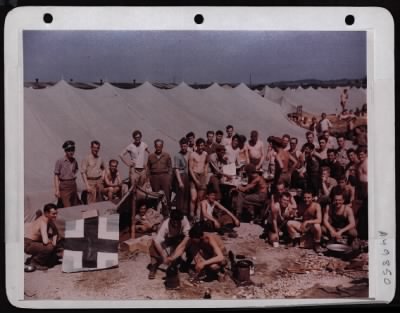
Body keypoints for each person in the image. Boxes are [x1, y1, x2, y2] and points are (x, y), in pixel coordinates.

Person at [148, 210, 191, 279]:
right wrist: (163, 255)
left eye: (178, 222)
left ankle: (186, 265)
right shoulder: (165, 224)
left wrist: (180, 248)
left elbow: (188, 236)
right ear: (171, 219)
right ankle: (153, 266)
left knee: (191, 242)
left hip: (180, 238)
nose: (176, 224)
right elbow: (157, 241)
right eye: (174, 222)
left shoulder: (184, 219)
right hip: (169, 238)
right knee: (153, 245)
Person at [24, 203, 60, 270]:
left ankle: (35, 258)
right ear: (46, 213)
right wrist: (52, 242)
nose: (55, 215)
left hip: (33, 242)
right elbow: (45, 241)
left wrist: (54, 242)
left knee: (54, 243)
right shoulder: (43, 222)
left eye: (56, 213)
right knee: (49, 247)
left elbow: (55, 232)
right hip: (28, 243)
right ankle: (35, 262)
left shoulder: (48, 219)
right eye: (53, 214)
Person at [147, 139, 173, 214]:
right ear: (155, 146)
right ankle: (156, 212)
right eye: (157, 146)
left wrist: (169, 177)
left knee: (167, 194)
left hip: (165, 176)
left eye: (160, 146)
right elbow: (148, 168)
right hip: (154, 177)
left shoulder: (167, 155)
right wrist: (148, 179)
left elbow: (170, 167)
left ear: (162, 146)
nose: (158, 148)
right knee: (155, 195)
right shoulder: (151, 156)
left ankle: (167, 212)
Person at [54, 140, 80, 207]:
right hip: (64, 185)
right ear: (65, 151)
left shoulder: (74, 161)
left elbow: (75, 170)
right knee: (67, 206)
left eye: (73, 150)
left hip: (73, 184)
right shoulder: (60, 161)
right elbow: (56, 176)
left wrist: (71, 176)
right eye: (69, 150)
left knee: (75, 205)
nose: (71, 152)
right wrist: (57, 190)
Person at [189, 138, 209, 220]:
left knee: (200, 199)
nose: (201, 147)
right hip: (194, 176)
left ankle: (197, 218)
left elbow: (206, 164)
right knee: (193, 198)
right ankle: (191, 215)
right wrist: (195, 180)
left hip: (202, 177)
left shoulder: (205, 154)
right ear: (196, 146)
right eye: (199, 145)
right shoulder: (193, 154)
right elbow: (190, 168)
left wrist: (206, 174)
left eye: (202, 145)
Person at [174, 137, 190, 215]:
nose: (184, 148)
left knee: (187, 196)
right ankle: (179, 213)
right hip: (181, 176)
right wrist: (180, 182)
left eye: (185, 146)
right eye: (182, 146)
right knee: (180, 196)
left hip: (188, 177)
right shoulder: (177, 155)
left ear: (187, 145)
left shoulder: (190, 154)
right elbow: (176, 169)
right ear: (180, 146)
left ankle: (185, 213)